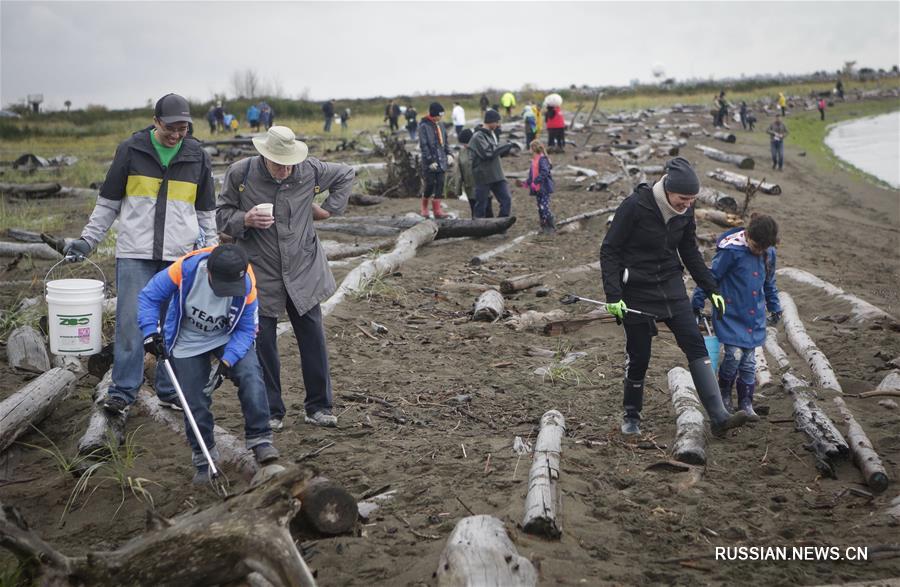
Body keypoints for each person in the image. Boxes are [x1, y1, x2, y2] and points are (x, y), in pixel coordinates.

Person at [63, 93, 218, 415]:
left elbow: (205, 213)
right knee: (132, 323)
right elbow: (108, 203)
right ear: (156, 121)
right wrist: (87, 240)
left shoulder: (196, 156)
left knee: (174, 325)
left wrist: (210, 252)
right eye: (170, 128)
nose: (176, 135)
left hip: (179, 256)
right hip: (135, 254)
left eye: (183, 129)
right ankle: (122, 391)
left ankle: (168, 390)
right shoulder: (131, 150)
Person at [216, 126, 354, 430]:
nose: (285, 168)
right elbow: (221, 215)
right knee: (263, 341)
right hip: (260, 269)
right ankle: (272, 411)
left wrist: (328, 210)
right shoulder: (240, 174)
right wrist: (246, 219)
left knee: (313, 336)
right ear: (264, 155)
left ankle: (319, 406)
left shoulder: (309, 170)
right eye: (279, 163)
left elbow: (346, 173)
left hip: (303, 266)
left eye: (289, 162)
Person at [599, 157, 748, 437]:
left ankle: (718, 416)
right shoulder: (635, 206)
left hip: (671, 286)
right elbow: (609, 250)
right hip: (637, 290)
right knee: (639, 355)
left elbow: (690, 251)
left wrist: (711, 288)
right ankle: (631, 416)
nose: (687, 204)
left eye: (692, 200)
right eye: (683, 198)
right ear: (668, 189)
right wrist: (614, 295)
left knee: (695, 344)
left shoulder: (686, 212)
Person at [137, 244, 279, 483]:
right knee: (194, 400)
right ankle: (204, 459)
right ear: (209, 273)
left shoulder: (246, 284)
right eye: (221, 286)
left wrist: (226, 363)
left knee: (251, 376)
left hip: (227, 336)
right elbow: (149, 296)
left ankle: (260, 438)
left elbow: (246, 330)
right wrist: (150, 332)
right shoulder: (186, 269)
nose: (226, 293)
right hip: (187, 340)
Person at [692, 214, 782, 421]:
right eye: (756, 245)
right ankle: (724, 395)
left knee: (750, 362)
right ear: (748, 235)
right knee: (733, 357)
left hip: (754, 316)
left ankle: (746, 402)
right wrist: (697, 302)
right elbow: (711, 277)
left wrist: (774, 306)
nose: (758, 251)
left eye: (763, 248)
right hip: (730, 314)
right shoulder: (731, 251)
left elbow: (770, 283)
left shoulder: (769, 253)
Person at [469, 110, 514, 218]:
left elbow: (495, 152)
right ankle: (478, 229)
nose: (498, 125)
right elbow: (487, 153)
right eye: (497, 122)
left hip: (497, 174)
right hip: (483, 176)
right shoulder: (478, 136)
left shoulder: (492, 134)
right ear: (490, 121)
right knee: (481, 205)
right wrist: (504, 146)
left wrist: (505, 149)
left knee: (506, 199)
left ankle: (501, 225)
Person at [418, 102, 453, 219]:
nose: (441, 117)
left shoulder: (441, 125)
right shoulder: (423, 126)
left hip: (442, 160)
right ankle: (424, 207)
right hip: (430, 162)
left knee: (440, 184)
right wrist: (430, 161)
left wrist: (449, 154)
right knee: (430, 184)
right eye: (439, 115)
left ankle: (437, 210)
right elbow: (424, 145)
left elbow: (445, 142)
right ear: (434, 114)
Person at [526, 140, 555, 234]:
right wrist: (527, 183)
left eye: (530, 148)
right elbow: (532, 174)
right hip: (537, 188)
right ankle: (543, 225)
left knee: (544, 207)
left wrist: (536, 181)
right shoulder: (534, 160)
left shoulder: (542, 159)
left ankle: (550, 226)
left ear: (533, 148)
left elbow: (545, 172)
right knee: (540, 207)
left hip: (544, 187)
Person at [451, 128, 477, 218]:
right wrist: (458, 190)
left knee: (486, 209)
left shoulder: (479, 150)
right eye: (463, 144)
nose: (465, 146)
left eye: (466, 143)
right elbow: (459, 174)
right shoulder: (461, 154)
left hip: (482, 186)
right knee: (474, 209)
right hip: (469, 187)